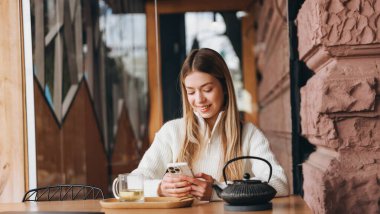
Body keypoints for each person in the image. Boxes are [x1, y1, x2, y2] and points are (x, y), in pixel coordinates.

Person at [131, 48, 289, 201]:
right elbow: (131, 184)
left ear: (225, 88)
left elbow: (279, 183)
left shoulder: (249, 134)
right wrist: (160, 188)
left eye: (207, 89)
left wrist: (217, 191)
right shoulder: (171, 132)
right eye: (191, 92)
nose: (199, 99)